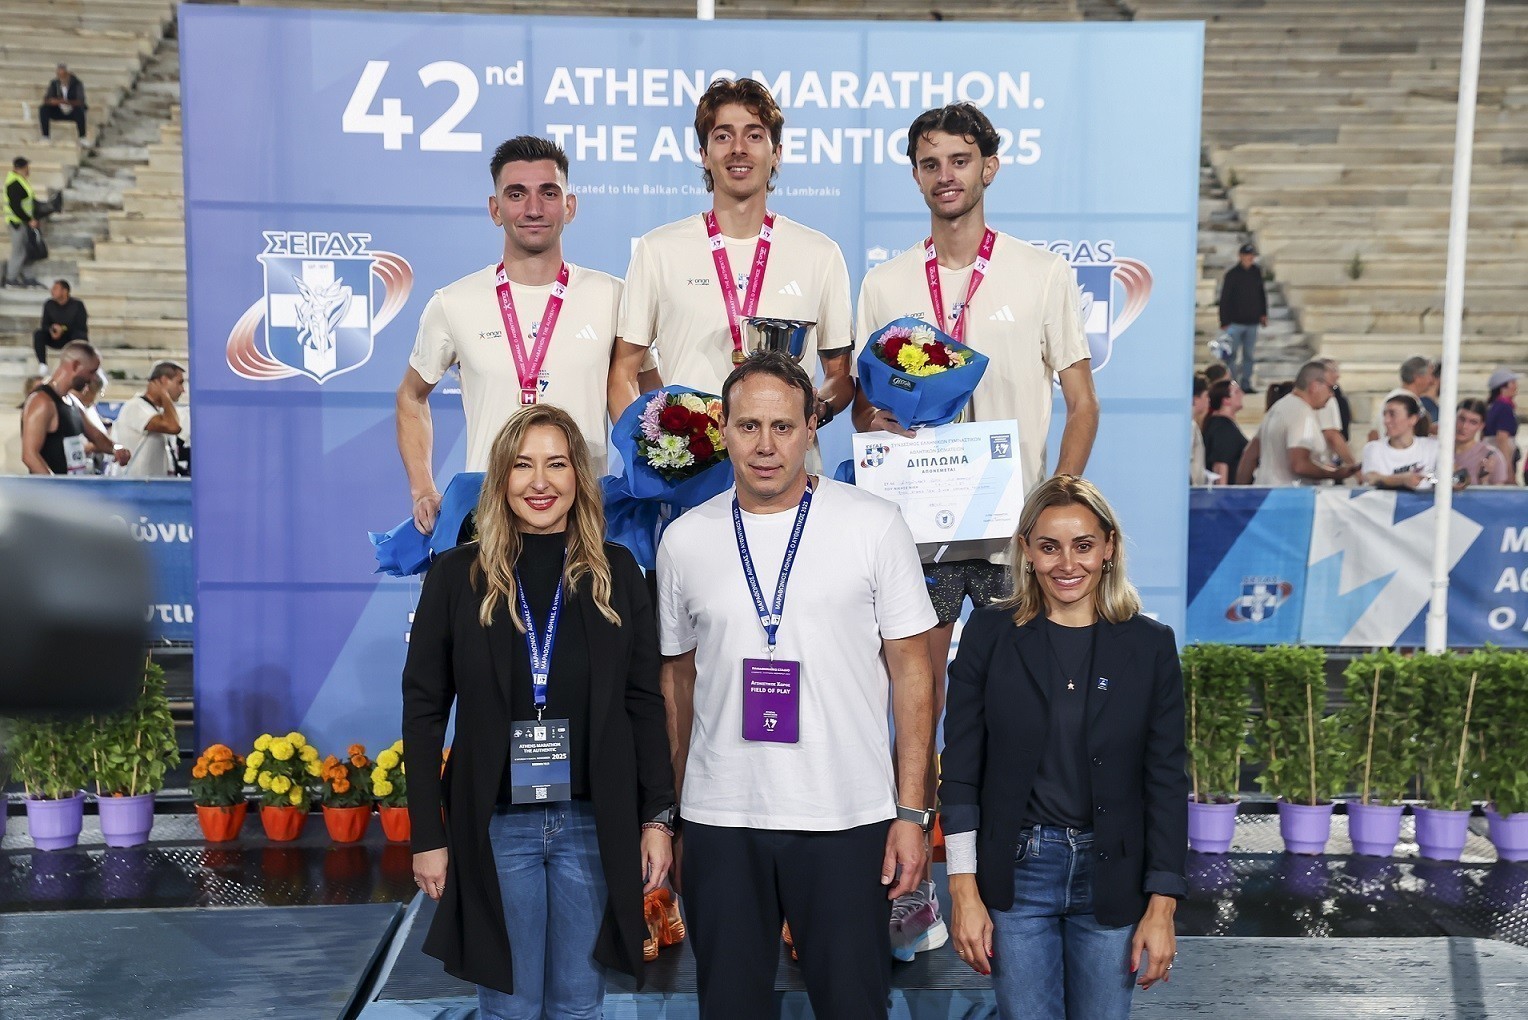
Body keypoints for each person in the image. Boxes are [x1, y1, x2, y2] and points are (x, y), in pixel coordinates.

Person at [851, 102, 1099, 953]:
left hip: (1009, 533)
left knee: (1020, 707)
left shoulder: (1040, 273)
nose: (946, 175)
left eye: (960, 159)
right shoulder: (885, 283)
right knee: (913, 701)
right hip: (914, 531)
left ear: (989, 166)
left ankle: (1018, 880)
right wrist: (876, 424)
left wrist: (1055, 506)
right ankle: (910, 887)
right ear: (916, 175)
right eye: (930, 162)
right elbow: (865, 408)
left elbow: (1082, 402)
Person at [657, 351, 937, 1019]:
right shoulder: (684, 541)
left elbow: (914, 674)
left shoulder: (875, 525)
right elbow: (675, 683)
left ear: (812, 426)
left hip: (847, 818)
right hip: (722, 820)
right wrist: (672, 815)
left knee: (854, 1006)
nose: (765, 446)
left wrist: (912, 813)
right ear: (723, 429)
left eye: (783, 426)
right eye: (749, 426)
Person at [403, 404, 676, 1018]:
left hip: (592, 824)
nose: (540, 482)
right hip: (496, 826)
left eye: (556, 464)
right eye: (523, 465)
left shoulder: (618, 573)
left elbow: (643, 703)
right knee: (510, 1009)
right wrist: (427, 835)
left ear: (579, 475)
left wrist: (657, 819)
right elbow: (422, 712)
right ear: (501, 477)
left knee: (579, 1006)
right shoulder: (456, 576)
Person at [940, 474, 1187, 1020]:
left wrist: (1163, 905)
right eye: (1049, 547)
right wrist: (962, 888)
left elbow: (1167, 782)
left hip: (1113, 875)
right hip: (1017, 873)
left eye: (1084, 545)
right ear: (1026, 550)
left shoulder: (1150, 645)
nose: (1067, 564)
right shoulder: (988, 633)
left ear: (1109, 548)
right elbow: (959, 772)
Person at [399, 136, 622, 535]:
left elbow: (646, 402)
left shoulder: (614, 297)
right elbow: (411, 396)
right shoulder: (454, 302)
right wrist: (423, 489)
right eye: (517, 194)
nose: (533, 209)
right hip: (489, 523)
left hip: (585, 522)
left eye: (548, 193)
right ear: (495, 209)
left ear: (570, 206)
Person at [609, 78, 854, 435]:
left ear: (776, 153)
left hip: (783, 458)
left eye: (754, 135)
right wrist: (647, 448)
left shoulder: (820, 254)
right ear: (704, 155)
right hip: (692, 462)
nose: (738, 149)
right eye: (723, 136)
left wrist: (818, 406)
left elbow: (839, 375)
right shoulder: (658, 250)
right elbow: (623, 373)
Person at [20, 340, 126, 475]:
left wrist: (116, 448)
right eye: (91, 372)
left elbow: (97, 436)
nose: (93, 379)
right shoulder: (41, 401)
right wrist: (57, 485)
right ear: (75, 365)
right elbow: (30, 456)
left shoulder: (72, 401)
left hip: (74, 483)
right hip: (53, 487)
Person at [1250, 361, 1358, 486]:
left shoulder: (1277, 408)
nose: (1332, 394)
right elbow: (1299, 465)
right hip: (1290, 494)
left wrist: (1240, 492)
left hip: (1266, 491)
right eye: (1331, 388)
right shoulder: (1301, 413)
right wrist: (1335, 473)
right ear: (1314, 386)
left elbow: (1249, 455)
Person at [113, 361, 186, 477]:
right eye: (179, 383)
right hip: (137, 484)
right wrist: (164, 394)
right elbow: (173, 427)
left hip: (154, 483)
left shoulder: (156, 411)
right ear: (163, 380)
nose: (183, 390)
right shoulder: (136, 406)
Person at [1360, 393, 1438, 490]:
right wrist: (1403, 480)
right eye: (1384, 414)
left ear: (1413, 419)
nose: (1386, 421)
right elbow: (1371, 478)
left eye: (1392, 414)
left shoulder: (1432, 447)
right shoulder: (1374, 448)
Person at [1217, 243, 1267, 392]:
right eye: (1247, 255)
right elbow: (1225, 298)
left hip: (1252, 322)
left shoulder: (1256, 272)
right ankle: (1233, 384)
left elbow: (1261, 294)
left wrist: (1263, 313)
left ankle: (1246, 384)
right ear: (1241, 256)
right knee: (1231, 355)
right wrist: (1224, 320)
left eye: (1252, 255)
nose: (1250, 258)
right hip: (1235, 322)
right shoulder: (1232, 275)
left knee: (1249, 355)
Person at [1366, 355, 1437, 443]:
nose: (1433, 381)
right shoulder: (1404, 402)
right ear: (1418, 378)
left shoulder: (1398, 397)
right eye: (1430, 375)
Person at [34, 279, 88, 375]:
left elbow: (80, 325)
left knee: (80, 335)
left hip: (71, 337)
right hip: (55, 337)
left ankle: (78, 365)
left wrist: (62, 329)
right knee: (39, 334)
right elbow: (44, 324)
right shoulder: (49, 304)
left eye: (55, 288)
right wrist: (52, 329)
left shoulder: (77, 305)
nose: (52, 291)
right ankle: (43, 365)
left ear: (65, 291)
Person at [1454, 398, 1509, 487]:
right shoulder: (1436, 450)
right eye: (1461, 419)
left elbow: (1499, 493)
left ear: (1481, 426)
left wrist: (1484, 482)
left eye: (1473, 422)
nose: (1464, 426)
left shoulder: (1492, 457)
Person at [1202, 379, 1248, 485]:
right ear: (1226, 400)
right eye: (1237, 392)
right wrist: (1222, 492)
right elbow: (1220, 465)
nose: (1242, 394)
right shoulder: (1223, 428)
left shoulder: (1219, 424)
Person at [1312, 357, 1356, 467]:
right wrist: (1353, 465)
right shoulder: (1325, 399)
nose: (1337, 375)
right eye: (1333, 371)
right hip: (1322, 462)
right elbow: (1331, 435)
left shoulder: (1336, 394)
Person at [1483, 367, 1520, 481]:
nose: (1516, 386)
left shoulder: (1492, 407)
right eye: (1513, 382)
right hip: (1500, 459)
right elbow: (1502, 439)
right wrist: (1508, 471)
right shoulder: (1504, 408)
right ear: (1503, 386)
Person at [40, 64, 87, 141]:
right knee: (43, 109)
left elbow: (80, 101)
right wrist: (52, 101)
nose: (61, 78)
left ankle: (82, 137)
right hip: (58, 111)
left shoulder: (77, 84)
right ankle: (45, 136)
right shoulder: (54, 83)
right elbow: (46, 99)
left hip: (72, 111)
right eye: (59, 75)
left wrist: (64, 101)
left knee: (80, 110)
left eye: (63, 75)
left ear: (68, 74)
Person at [1190, 374, 1209, 485]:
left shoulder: (1192, 425)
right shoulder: (1189, 426)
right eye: (1206, 396)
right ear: (1195, 399)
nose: (1208, 400)